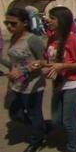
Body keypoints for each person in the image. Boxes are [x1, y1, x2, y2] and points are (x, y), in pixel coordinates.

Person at [31, 6, 76, 152]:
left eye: (52, 18)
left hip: (73, 85)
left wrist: (61, 66)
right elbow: (48, 60)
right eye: (48, 17)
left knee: (68, 122)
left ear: (62, 21)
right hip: (57, 85)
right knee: (57, 121)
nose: (48, 20)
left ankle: (71, 147)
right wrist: (39, 63)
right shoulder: (51, 38)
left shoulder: (73, 39)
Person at [2, 8, 46, 152]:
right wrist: (9, 84)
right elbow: (13, 64)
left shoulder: (33, 40)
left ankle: (37, 140)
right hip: (16, 85)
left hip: (32, 86)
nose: (9, 26)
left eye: (13, 24)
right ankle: (40, 126)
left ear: (25, 23)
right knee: (15, 114)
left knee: (34, 114)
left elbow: (44, 61)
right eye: (6, 23)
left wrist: (23, 70)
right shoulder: (14, 37)